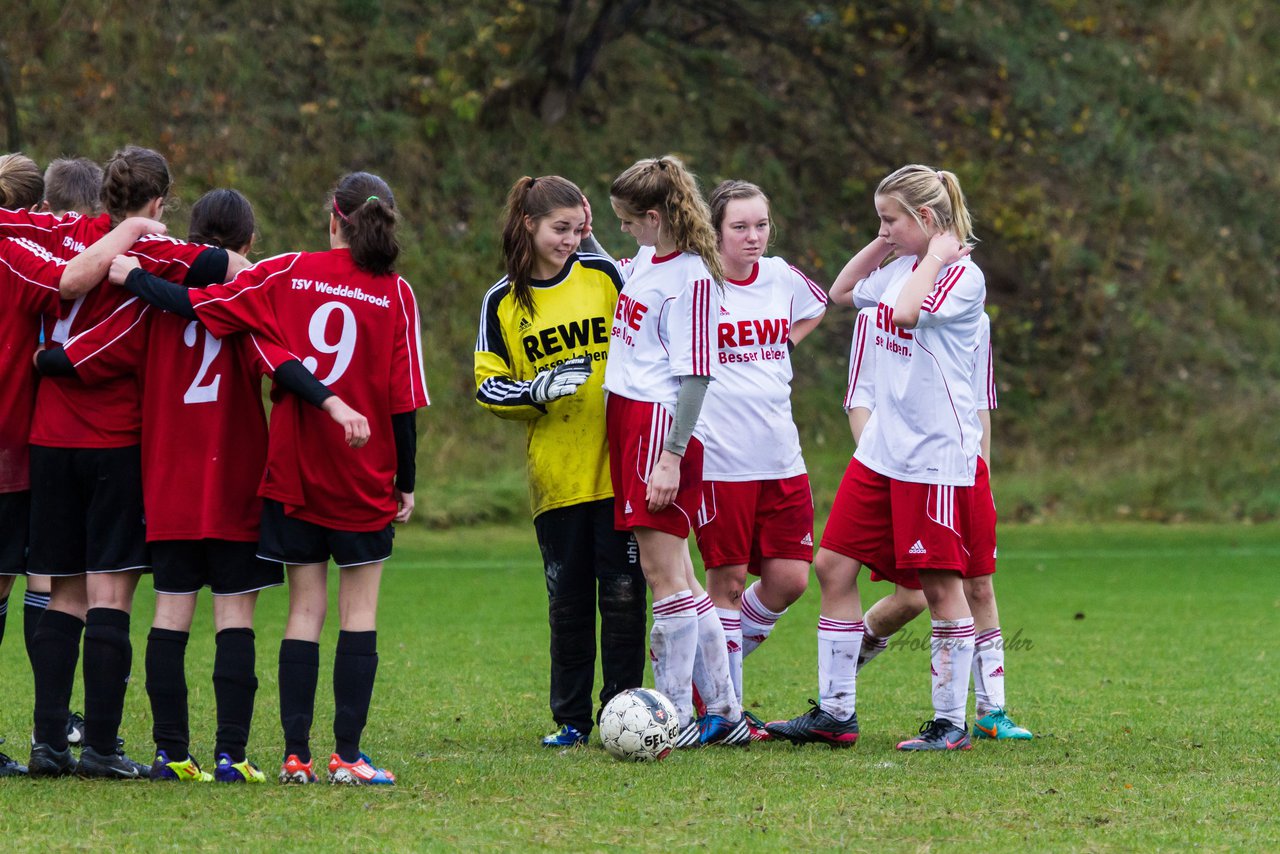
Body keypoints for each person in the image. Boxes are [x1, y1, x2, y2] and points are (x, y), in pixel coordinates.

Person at [38, 188, 370, 782]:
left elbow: (90, 357)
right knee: (234, 618)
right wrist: (333, 405)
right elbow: (281, 367)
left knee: (170, 614)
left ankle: (171, 754)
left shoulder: (152, 311)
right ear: (247, 245)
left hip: (165, 483)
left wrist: (45, 358)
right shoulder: (244, 311)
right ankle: (231, 756)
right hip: (237, 484)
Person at [113, 171, 429, 785]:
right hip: (363, 470)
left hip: (294, 469)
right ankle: (348, 756)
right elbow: (402, 402)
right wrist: (406, 480)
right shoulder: (396, 292)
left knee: (304, 611)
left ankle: (295, 756)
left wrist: (138, 279)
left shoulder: (287, 270)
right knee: (357, 613)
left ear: (330, 219)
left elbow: (202, 305)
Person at [1, 146, 218, 778]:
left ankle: (47, 743)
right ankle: (99, 745)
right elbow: (224, 265)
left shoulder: (65, 233)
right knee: (111, 598)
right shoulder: (151, 252)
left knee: (62, 594)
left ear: (101, 198)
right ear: (157, 203)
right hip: (114, 442)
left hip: (48, 441)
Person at [768, 164, 985, 751]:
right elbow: (841, 292)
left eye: (890, 219)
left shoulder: (960, 278)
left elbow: (910, 313)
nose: (882, 231)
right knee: (833, 566)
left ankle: (949, 723)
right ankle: (835, 714)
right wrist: (889, 241)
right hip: (883, 452)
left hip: (932, 459)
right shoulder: (899, 267)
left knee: (940, 589)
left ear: (928, 220)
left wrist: (936, 253)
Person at [474, 175, 645, 748]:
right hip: (558, 477)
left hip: (620, 470)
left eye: (578, 229)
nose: (569, 240)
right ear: (528, 225)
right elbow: (488, 385)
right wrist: (536, 391)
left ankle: (626, 713)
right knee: (568, 604)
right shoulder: (501, 301)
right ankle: (570, 720)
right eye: (558, 229)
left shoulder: (604, 276)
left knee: (623, 598)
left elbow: (649, 332)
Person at [604, 155, 748, 747]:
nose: (623, 231)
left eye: (628, 220)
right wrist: (588, 228)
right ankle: (726, 713)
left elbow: (696, 376)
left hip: (658, 426)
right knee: (685, 578)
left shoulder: (690, 277)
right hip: (630, 418)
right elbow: (630, 274)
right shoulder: (647, 257)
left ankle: (674, 720)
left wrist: (670, 456)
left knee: (664, 579)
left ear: (656, 216)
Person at [842, 304, 1032, 740]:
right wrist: (884, 466)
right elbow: (859, 399)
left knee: (979, 585)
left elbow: (980, 401)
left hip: (961, 474)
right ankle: (839, 680)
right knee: (912, 597)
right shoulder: (877, 314)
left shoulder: (974, 318)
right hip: (898, 473)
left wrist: (980, 473)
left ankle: (992, 710)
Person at [691, 180, 826, 739]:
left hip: (782, 458)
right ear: (716, 230)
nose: (753, 237)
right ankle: (725, 711)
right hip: (722, 459)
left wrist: (784, 345)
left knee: (792, 579)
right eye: (740, 227)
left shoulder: (779, 275)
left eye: (761, 225)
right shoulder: (697, 283)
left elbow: (817, 305)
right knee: (724, 582)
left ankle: (708, 674)